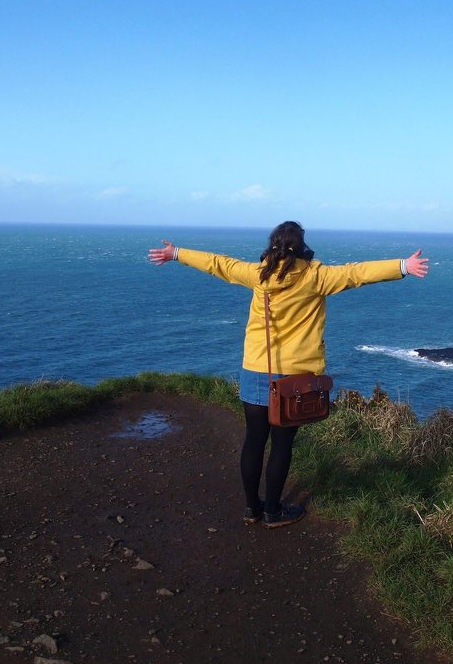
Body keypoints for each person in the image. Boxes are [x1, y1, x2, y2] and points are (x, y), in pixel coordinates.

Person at [148, 221, 428, 528]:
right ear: (301, 246)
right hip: (295, 379)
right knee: (281, 445)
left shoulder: (258, 274)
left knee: (254, 441)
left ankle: (251, 508)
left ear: (273, 245)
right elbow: (357, 273)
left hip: (257, 369)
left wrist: (176, 253)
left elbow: (219, 264)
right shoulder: (317, 277)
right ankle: (273, 512)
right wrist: (403, 265)